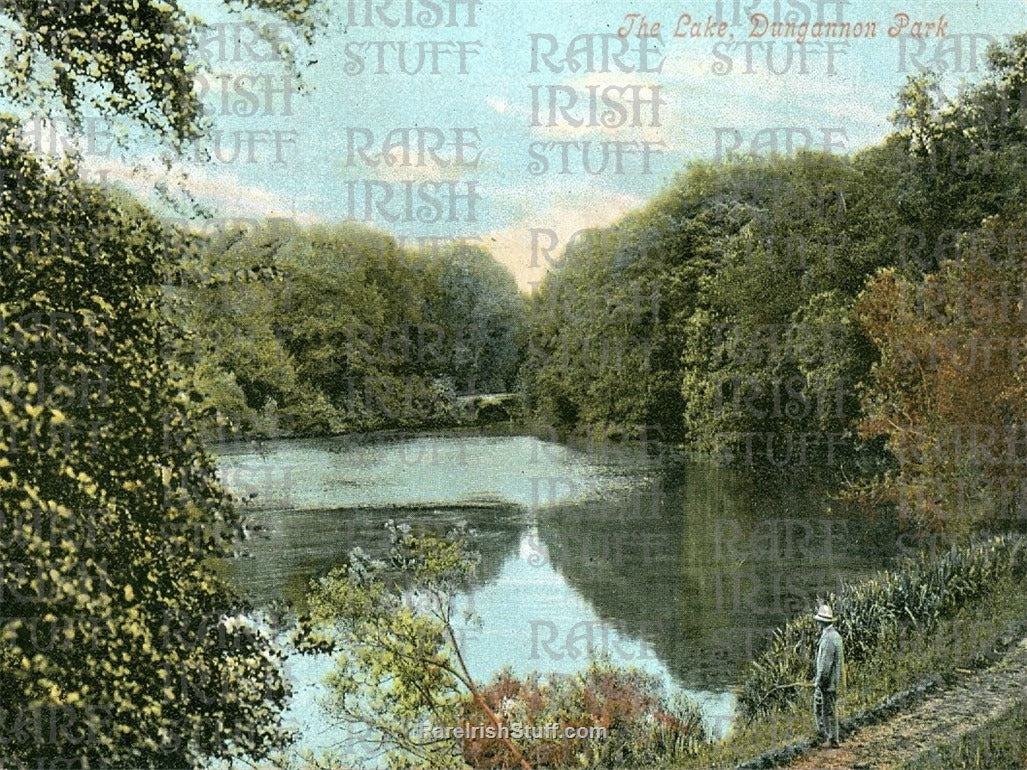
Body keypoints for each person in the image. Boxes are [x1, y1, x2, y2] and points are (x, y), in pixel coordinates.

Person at [812, 603, 843, 747]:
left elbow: (825, 666)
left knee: (824, 710)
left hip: (827, 683)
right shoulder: (835, 636)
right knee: (830, 710)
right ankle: (831, 738)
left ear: (821, 622)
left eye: (818, 621)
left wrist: (818, 682)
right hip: (833, 681)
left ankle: (828, 738)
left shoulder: (828, 639)